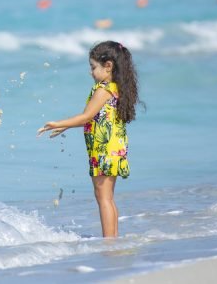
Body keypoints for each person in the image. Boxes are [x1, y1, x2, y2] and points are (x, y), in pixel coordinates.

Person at [37, 40, 141, 238]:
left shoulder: (104, 89)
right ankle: (113, 239)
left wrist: (57, 123)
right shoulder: (114, 88)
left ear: (108, 66)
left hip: (103, 150)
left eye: (93, 67)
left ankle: (109, 242)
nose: (91, 72)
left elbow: (86, 117)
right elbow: (91, 116)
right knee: (107, 197)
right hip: (112, 147)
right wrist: (66, 126)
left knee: (103, 198)